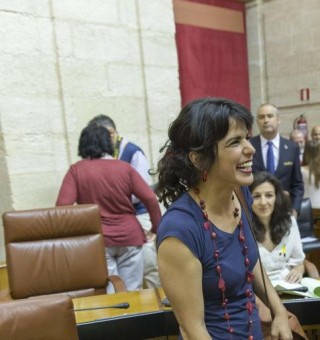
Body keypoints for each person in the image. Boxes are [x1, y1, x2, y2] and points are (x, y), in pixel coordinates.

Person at [154, 98, 292, 339]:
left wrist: (278, 310)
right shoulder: (180, 229)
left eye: (247, 138)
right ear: (199, 159)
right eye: (235, 142)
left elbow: (249, 260)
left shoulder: (241, 195)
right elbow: (192, 330)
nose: (250, 148)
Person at [56, 124, 161, 291]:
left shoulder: (76, 170)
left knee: (110, 293)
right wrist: (156, 228)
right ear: (108, 144)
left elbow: (62, 207)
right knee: (133, 291)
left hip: (99, 239)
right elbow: (150, 198)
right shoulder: (124, 168)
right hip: (130, 237)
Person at [87, 114, 161, 289]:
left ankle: (158, 305)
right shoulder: (97, 156)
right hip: (116, 221)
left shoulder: (132, 151)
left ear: (112, 133)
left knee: (150, 265)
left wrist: (111, 196)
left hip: (140, 214)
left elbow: (144, 192)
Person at [249, 103, 304, 215]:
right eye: (261, 117)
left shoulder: (292, 148)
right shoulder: (248, 146)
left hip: (284, 211)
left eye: (270, 116)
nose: (265, 120)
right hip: (256, 211)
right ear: (257, 121)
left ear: (278, 120)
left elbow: (297, 184)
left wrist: (295, 209)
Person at [250, 172, 305, 283]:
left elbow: (298, 262)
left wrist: (299, 270)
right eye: (256, 196)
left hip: (287, 287)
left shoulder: (290, 222)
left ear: (277, 197)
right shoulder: (242, 228)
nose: (263, 202)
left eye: (269, 195)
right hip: (257, 290)